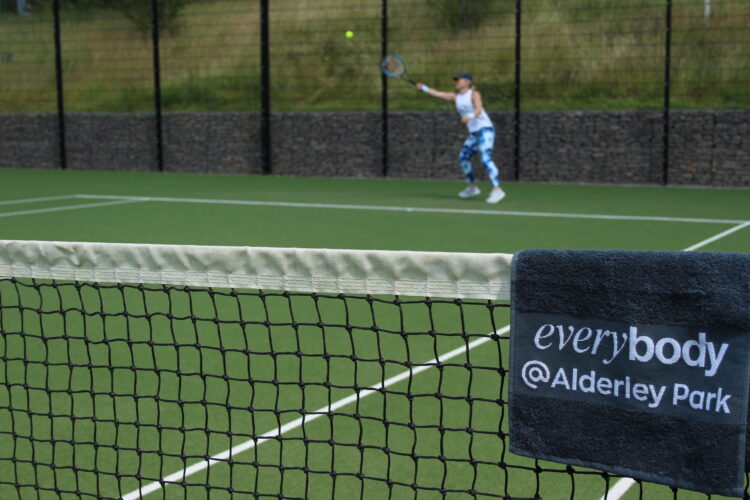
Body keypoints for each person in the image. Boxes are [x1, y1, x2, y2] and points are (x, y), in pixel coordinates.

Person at [415, 73, 506, 204]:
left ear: (468, 82)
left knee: (485, 158)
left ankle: (497, 189)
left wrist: (471, 115)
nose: (456, 82)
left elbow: (479, 109)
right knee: (463, 157)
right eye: (456, 80)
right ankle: (472, 187)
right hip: (474, 133)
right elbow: (437, 93)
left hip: (485, 130)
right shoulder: (456, 97)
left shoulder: (474, 94)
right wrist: (423, 88)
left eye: (459, 80)